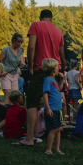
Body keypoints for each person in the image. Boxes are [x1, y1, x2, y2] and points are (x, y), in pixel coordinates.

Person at [20, 9, 66, 146]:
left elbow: (31, 46)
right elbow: (62, 54)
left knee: (33, 102)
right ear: (51, 18)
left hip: (41, 68)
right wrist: (62, 69)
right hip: (55, 70)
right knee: (53, 103)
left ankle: (29, 139)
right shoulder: (58, 31)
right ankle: (52, 133)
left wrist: (30, 65)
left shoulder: (36, 25)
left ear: (41, 17)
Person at [42, 58, 64, 155]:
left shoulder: (53, 80)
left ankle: (57, 149)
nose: (58, 68)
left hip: (57, 109)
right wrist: (48, 108)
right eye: (56, 67)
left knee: (58, 129)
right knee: (53, 129)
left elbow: (60, 89)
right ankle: (48, 149)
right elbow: (45, 94)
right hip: (51, 109)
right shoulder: (47, 80)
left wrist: (63, 79)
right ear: (52, 70)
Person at [0, 32, 25, 104]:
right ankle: (6, 112)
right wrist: (1, 72)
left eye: (21, 42)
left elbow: (22, 62)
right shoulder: (6, 50)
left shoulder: (20, 50)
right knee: (8, 94)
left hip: (15, 75)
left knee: (15, 95)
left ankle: (14, 113)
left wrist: (23, 64)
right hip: (6, 75)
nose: (19, 44)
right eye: (18, 42)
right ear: (13, 41)